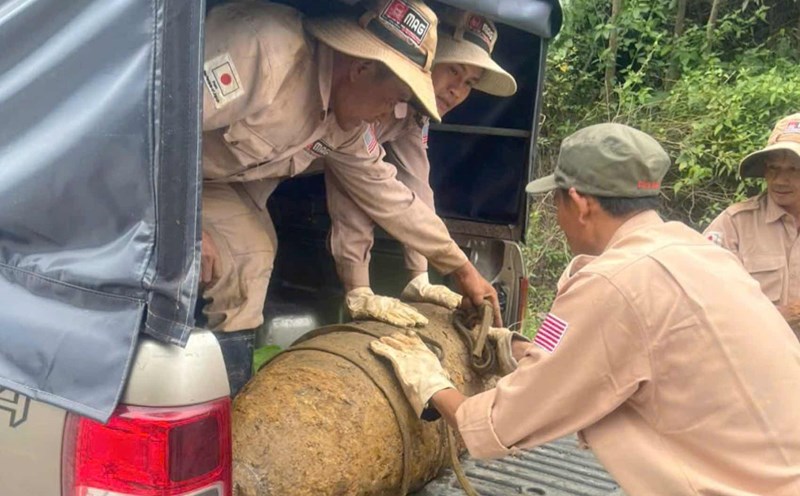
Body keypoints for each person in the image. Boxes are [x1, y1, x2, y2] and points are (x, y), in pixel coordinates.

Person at [371, 123, 800, 495]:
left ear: (578, 202)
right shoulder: (697, 252)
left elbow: (501, 424)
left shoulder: (612, 281)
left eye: (555, 201)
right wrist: (514, 347)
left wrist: (428, 382)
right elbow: (622, 354)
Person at [199, 0, 501, 393]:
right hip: (144, 172)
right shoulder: (265, 51)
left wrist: (462, 269)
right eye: (394, 97)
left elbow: (391, 196)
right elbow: (145, 122)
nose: (392, 112)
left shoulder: (348, 127)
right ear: (360, 69)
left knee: (251, 255)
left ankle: (226, 403)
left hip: (212, 184)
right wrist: (179, 224)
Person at [325, 8, 517, 328]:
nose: (457, 90)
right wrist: (358, 286)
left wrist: (420, 275)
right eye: (453, 70)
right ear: (426, 59)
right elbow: (359, 187)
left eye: (469, 82)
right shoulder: (372, 92)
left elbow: (417, 185)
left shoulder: (415, 113)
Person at [704, 112, 800, 338]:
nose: (780, 180)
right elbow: (702, 296)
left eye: (794, 169)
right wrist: (778, 316)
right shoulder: (734, 224)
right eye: (773, 168)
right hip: (757, 353)